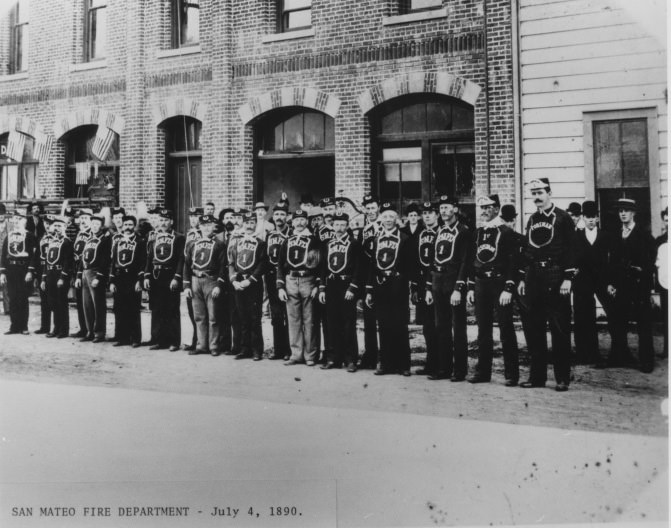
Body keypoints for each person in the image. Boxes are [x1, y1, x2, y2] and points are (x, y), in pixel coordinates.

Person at [517, 178, 575, 391]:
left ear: (549, 192)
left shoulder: (563, 218)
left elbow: (571, 249)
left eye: (540, 192)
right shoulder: (532, 219)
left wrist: (568, 277)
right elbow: (528, 250)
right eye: (533, 193)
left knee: (559, 330)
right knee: (534, 329)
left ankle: (562, 378)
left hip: (556, 275)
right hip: (534, 277)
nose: (536, 197)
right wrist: (523, 277)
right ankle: (537, 377)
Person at [466, 195, 519, 386]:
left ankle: (512, 374)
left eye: (489, 207)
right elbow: (474, 261)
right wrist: (472, 286)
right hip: (482, 284)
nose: (485, 211)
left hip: (500, 283)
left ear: (497, 209)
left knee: (506, 328)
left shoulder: (506, 232)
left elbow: (514, 262)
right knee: (483, 330)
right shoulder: (478, 232)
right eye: (482, 208)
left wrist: (509, 287)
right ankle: (483, 372)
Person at [425, 195, 472, 381]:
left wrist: (459, 288)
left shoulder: (463, 231)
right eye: (441, 208)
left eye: (447, 207)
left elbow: (465, 262)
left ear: (455, 209)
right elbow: (433, 259)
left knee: (457, 327)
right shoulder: (439, 230)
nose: (443, 211)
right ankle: (444, 368)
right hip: (438, 282)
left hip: (453, 283)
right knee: (441, 327)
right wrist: (429, 286)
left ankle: (459, 370)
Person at [365, 202, 413, 376]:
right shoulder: (377, 239)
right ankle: (385, 363)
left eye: (391, 217)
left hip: (397, 286)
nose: (388, 220)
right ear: (380, 219)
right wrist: (369, 289)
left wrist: (401, 278)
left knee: (400, 324)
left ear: (397, 219)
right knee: (383, 324)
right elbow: (372, 265)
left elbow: (409, 265)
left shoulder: (405, 238)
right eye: (385, 217)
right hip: (380, 286)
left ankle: (404, 365)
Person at [609, 198, 656, 372]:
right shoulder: (616, 234)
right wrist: (611, 282)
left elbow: (650, 261)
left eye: (626, 210)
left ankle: (647, 361)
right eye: (620, 210)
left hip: (639, 285)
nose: (623, 213)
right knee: (618, 321)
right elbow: (612, 261)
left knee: (643, 323)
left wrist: (641, 271)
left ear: (633, 213)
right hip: (621, 285)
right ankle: (618, 356)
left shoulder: (644, 235)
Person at [572, 200, 617, 367]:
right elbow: (572, 257)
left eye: (593, 217)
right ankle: (584, 354)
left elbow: (611, 260)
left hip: (601, 279)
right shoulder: (577, 236)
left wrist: (610, 281)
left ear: (598, 218)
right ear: (583, 217)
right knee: (583, 316)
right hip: (582, 280)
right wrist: (574, 269)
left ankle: (616, 353)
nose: (591, 220)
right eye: (587, 217)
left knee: (613, 312)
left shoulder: (605, 236)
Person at [319, 211, 362, 371]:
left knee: (348, 323)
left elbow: (359, 268)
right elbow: (323, 267)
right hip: (331, 285)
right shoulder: (328, 244)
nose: (339, 227)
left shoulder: (354, 243)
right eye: (336, 224)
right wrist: (322, 288)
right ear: (332, 226)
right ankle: (333, 358)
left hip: (346, 286)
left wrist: (353, 287)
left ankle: (351, 359)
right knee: (332, 323)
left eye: (343, 224)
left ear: (347, 225)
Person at [277, 208, 321, 366]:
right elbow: (280, 266)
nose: (300, 222)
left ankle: (310, 355)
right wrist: (280, 286)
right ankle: (296, 354)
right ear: (292, 222)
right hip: (290, 280)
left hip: (307, 279)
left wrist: (317, 284)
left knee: (309, 320)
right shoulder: (287, 241)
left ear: (307, 221)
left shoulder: (314, 240)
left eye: (303, 219)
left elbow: (317, 264)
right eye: (297, 220)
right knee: (293, 319)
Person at [183, 214, 227, 356]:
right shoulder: (192, 244)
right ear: (200, 227)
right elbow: (187, 265)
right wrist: (186, 286)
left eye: (210, 226)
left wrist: (218, 285)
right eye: (204, 225)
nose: (207, 228)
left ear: (213, 227)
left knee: (213, 316)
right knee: (199, 315)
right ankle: (201, 345)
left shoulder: (219, 245)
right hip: (196, 279)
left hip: (211, 279)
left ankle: (214, 346)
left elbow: (222, 266)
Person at [143, 209, 185, 352]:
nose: (163, 223)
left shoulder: (179, 237)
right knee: (157, 309)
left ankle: (174, 341)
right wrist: (147, 276)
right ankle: (158, 340)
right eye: (161, 220)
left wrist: (177, 277)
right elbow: (149, 258)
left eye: (166, 220)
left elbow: (181, 259)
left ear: (171, 222)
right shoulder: (154, 238)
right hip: (156, 275)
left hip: (170, 275)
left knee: (172, 309)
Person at [228, 211, 267, 360]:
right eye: (247, 223)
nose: (249, 226)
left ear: (255, 224)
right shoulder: (236, 242)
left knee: (254, 317)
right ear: (243, 224)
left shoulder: (261, 243)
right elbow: (231, 263)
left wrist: (250, 280)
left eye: (252, 223)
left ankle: (257, 350)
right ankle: (245, 349)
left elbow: (262, 264)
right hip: (238, 284)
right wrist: (234, 281)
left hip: (253, 284)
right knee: (242, 317)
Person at [411, 201, 440, 377]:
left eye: (431, 212)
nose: (427, 216)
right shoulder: (420, 235)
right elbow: (415, 262)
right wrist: (414, 287)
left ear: (437, 215)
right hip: (423, 284)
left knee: (439, 325)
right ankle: (431, 363)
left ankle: (441, 364)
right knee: (428, 327)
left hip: (438, 282)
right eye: (425, 213)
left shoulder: (442, 233)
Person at [109, 214, 146, 348]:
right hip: (119, 277)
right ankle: (122, 337)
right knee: (119, 308)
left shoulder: (140, 242)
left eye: (130, 225)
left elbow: (143, 262)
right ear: (122, 226)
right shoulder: (118, 242)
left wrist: (139, 280)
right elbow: (113, 263)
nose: (128, 228)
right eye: (125, 225)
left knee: (133, 308)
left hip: (132, 277)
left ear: (134, 226)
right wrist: (112, 281)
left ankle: (135, 338)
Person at [76, 214, 112, 343]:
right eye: (93, 224)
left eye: (97, 224)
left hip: (95, 273)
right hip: (86, 272)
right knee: (87, 305)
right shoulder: (88, 239)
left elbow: (106, 260)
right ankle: (89, 331)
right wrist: (79, 275)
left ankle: (99, 333)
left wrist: (99, 276)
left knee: (98, 305)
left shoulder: (105, 240)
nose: (95, 226)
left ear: (101, 226)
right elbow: (82, 258)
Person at [0, 210, 37, 335]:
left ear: (24, 221)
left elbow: (34, 256)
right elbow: (4, 255)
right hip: (11, 270)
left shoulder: (30, 236)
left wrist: (30, 271)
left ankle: (24, 326)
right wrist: (3, 272)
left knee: (22, 298)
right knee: (13, 298)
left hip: (23, 270)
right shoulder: (9, 236)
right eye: (14, 219)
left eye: (18, 219)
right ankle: (14, 326)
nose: (15, 221)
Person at [357, 194, 381, 369]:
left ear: (378, 208)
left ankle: (389, 355)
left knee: (387, 318)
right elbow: (361, 258)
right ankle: (370, 355)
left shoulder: (387, 225)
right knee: (369, 319)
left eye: (373, 207)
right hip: (368, 279)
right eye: (368, 208)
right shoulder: (363, 230)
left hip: (383, 278)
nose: (371, 211)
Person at [265, 202, 291, 360]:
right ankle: (278, 348)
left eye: (282, 214)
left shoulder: (292, 234)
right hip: (272, 278)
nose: (279, 217)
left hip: (288, 278)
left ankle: (289, 349)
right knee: (275, 315)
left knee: (288, 314)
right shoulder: (270, 235)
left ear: (287, 217)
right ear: (273, 217)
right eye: (276, 215)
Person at [41, 216, 73, 339]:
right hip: (50, 274)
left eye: (60, 226)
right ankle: (56, 328)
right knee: (52, 302)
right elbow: (47, 260)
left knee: (61, 303)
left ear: (65, 227)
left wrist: (63, 277)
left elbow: (67, 261)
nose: (57, 228)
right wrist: (44, 278)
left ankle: (63, 330)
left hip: (60, 274)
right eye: (56, 226)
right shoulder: (52, 241)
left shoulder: (67, 242)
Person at [70, 209, 93, 337]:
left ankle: (91, 329)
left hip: (87, 270)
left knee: (88, 302)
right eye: (82, 218)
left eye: (86, 218)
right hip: (77, 270)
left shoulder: (92, 233)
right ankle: (83, 328)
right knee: (80, 301)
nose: (83, 220)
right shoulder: (79, 234)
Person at [183, 207, 203, 351]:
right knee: (192, 311)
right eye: (191, 216)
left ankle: (202, 342)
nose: (194, 219)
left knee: (202, 312)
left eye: (197, 216)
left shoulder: (206, 234)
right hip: (191, 275)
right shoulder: (189, 234)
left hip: (202, 276)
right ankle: (196, 340)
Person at [109, 206, 126, 342]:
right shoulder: (112, 237)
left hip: (128, 273)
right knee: (117, 305)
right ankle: (119, 334)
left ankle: (129, 335)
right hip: (116, 272)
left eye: (120, 217)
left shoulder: (131, 235)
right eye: (116, 218)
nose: (118, 220)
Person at [35, 213, 53, 334]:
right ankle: (44, 327)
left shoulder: (57, 238)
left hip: (52, 271)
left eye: (50, 224)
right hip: (42, 271)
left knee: (54, 300)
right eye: (46, 224)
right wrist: (36, 274)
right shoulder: (41, 238)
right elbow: (37, 257)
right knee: (44, 300)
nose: (48, 226)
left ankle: (58, 328)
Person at [654, 206, 668, 359]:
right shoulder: (660, 241)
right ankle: (667, 348)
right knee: (666, 316)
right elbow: (657, 264)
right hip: (666, 284)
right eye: (666, 220)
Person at [0, 203, 9, 315]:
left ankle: (8, 308)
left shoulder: (10, 226)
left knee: (6, 284)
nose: (1, 216)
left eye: (2, 214)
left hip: (6, 259)